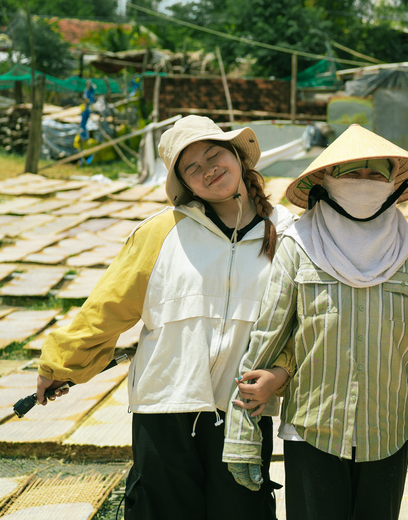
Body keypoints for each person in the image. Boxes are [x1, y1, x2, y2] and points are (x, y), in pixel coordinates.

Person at [36, 115, 297, 520]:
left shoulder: (287, 233)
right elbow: (108, 306)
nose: (208, 169)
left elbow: (306, 322)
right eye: (192, 167)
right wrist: (61, 364)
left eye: (214, 154)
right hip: (164, 406)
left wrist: (281, 372)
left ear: (238, 158)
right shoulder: (161, 232)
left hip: (244, 408)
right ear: (184, 183)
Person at [222, 124, 408, 520]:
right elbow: (265, 340)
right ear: (327, 180)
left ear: (393, 185)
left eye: (376, 175)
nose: (364, 183)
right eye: (352, 173)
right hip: (311, 432)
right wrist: (242, 437)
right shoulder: (299, 245)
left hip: (386, 435)